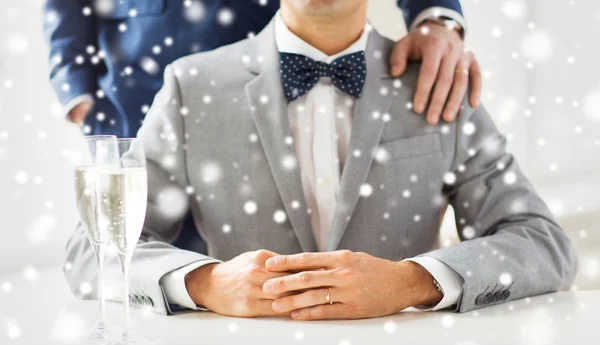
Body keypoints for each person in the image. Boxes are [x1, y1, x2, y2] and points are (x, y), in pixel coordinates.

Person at [65, 0, 577, 320]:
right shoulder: (190, 87)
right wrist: (204, 284)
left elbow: (544, 243)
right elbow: (91, 252)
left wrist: (413, 282)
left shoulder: (439, 82)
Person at [45, 0, 479, 255]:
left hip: (276, 65)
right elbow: (96, 251)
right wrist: (77, 89)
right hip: (138, 86)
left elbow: (531, 235)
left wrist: (436, 15)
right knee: (150, 271)